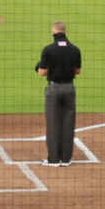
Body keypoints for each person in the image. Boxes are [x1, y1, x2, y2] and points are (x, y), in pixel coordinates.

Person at [36, 21, 82, 166]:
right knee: (68, 124)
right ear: (65, 33)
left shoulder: (48, 50)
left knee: (53, 124)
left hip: (54, 90)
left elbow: (42, 72)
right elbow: (77, 71)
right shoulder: (75, 49)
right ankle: (66, 159)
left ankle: (54, 159)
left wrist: (38, 66)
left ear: (53, 32)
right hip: (70, 89)